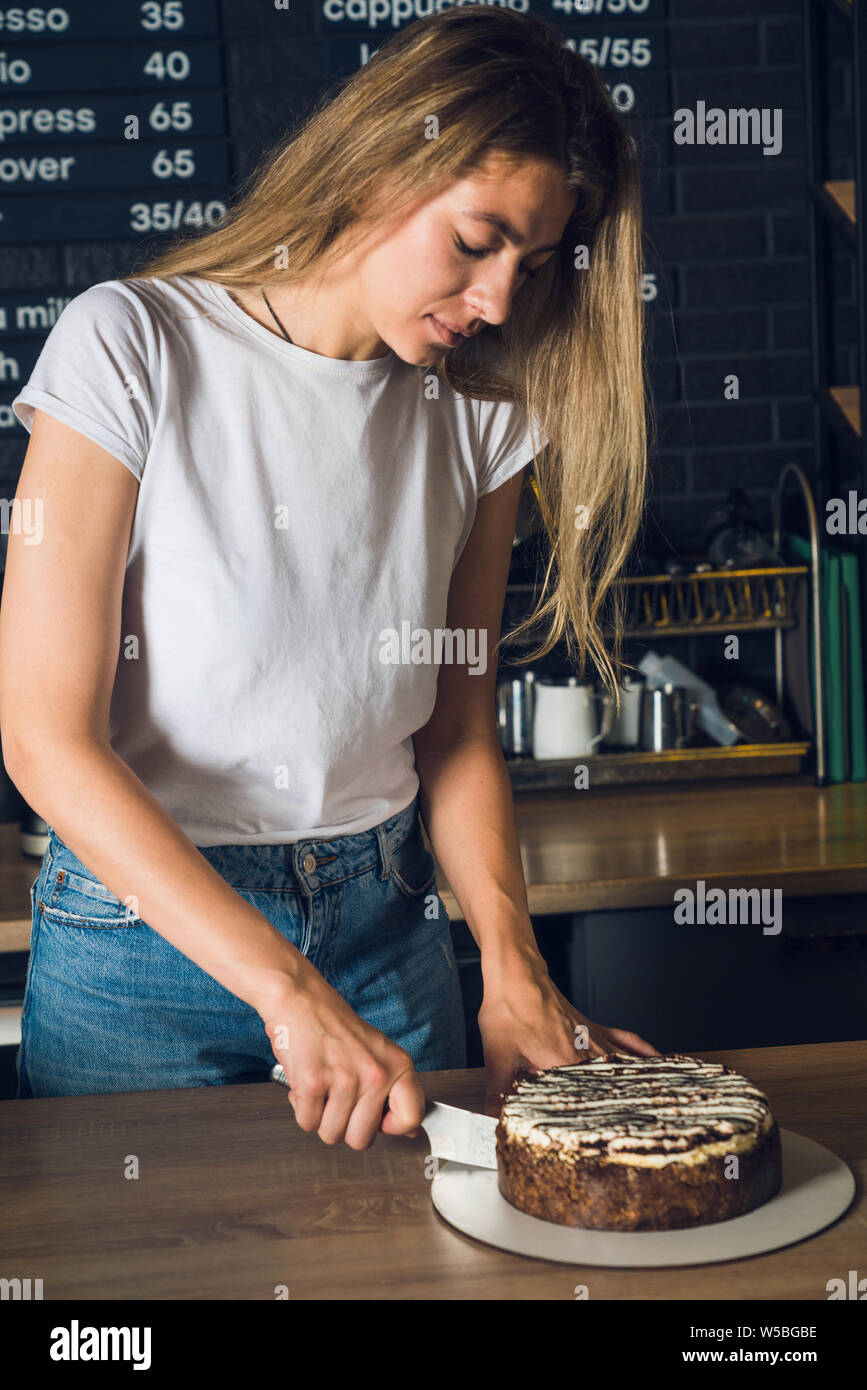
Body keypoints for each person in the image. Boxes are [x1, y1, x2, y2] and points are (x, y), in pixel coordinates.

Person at [0, 7, 659, 1150]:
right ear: (377, 164)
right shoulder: (131, 345)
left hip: (389, 929)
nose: (502, 299)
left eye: (536, 263)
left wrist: (511, 966)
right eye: (477, 240)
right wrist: (288, 991)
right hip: (136, 949)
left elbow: (455, 726)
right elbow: (43, 738)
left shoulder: (482, 416)